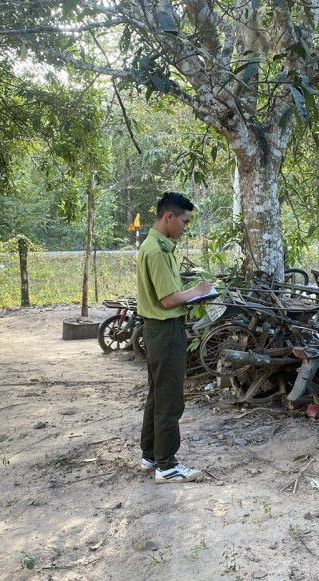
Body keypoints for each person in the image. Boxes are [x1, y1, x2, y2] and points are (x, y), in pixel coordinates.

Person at [136, 192, 213, 483]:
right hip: (164, 330)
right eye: (184, 220)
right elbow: (168, 300)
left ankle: (151, 455)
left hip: (159, 330)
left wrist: (193, 296)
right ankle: (167, 466)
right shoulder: (155, 250)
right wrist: (199, 292)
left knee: (157, 396)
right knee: (169, 400)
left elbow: (170, 296)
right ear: (169, 217)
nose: (186, 227)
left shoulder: (160, 247)